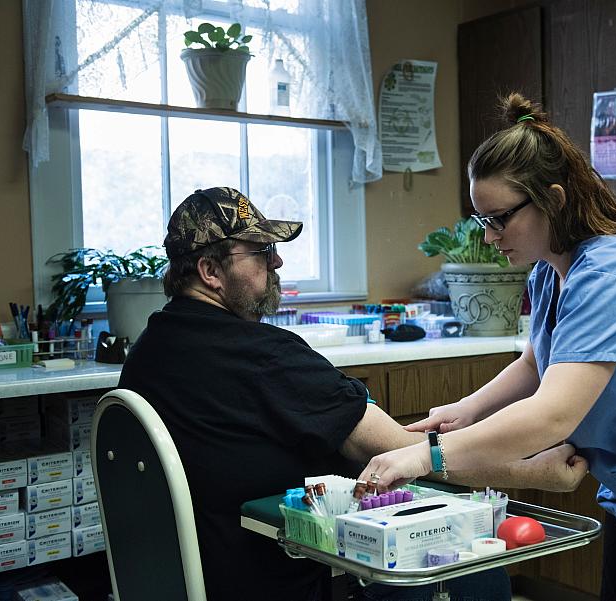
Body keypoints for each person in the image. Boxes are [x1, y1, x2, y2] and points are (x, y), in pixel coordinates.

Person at [358, 95, 616, 601]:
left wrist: (428, 457)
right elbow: (538, 361)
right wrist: (464, 411)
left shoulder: (615, 270)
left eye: (499, 219)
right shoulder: (550, 270)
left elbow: (552, 416)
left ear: (554, 200)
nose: (491, 237)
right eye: (482, 221)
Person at [119, 186, 589, 601]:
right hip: (279, 574)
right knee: (471, 571)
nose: (277, 261)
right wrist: (529, 472)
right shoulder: (264, 356)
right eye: (260, 252)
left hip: (201, 572)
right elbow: (400, 450)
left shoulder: (147, 351)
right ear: (210, 271)